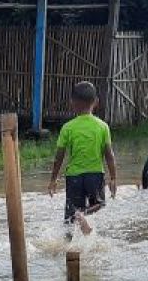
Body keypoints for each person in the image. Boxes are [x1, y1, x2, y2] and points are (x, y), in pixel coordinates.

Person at [47, 82, 117, 235]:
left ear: (72, 103)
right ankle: (82, 215)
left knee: (70, 216)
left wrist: (53, 179)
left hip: (73, 177)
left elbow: (59, 157)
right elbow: (109, 155)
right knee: (99, 204)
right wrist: (113, 178)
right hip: (95, 175)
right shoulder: (102, 126)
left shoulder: (68, 127)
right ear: (96, 102)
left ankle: (68, 249)